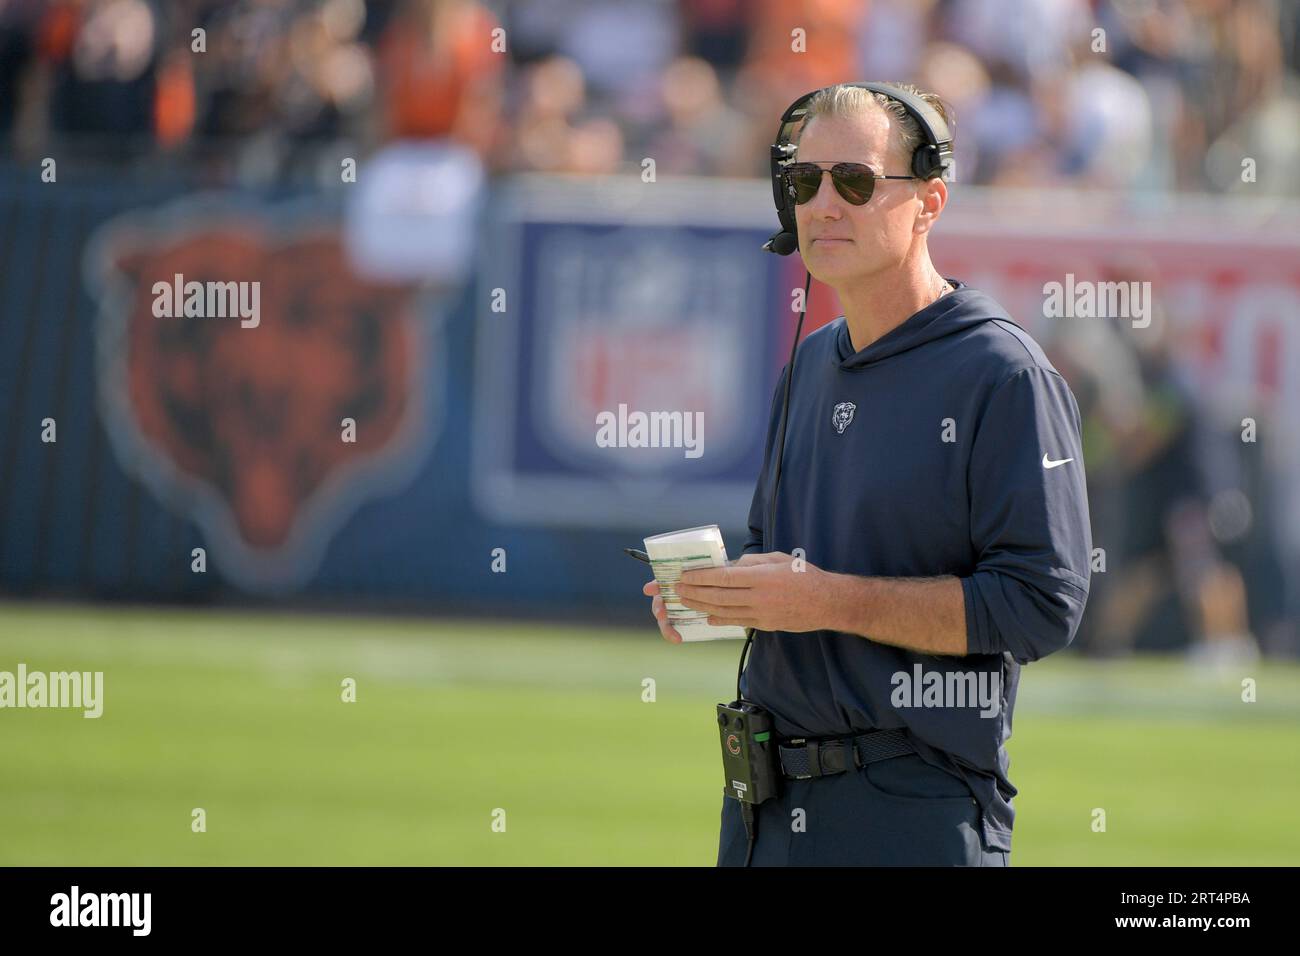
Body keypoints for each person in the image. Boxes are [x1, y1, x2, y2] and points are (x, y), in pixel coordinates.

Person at [642, 82, 1093, 865]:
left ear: (929, 201)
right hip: (763, 808)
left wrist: (824, 599)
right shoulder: (809, 363)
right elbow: (783, 562)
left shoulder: (1003, 373)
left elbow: (1040, 604)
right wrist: (724, 596)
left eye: (853, 181)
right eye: (803, 181)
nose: (822, 204)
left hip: (911, 812)